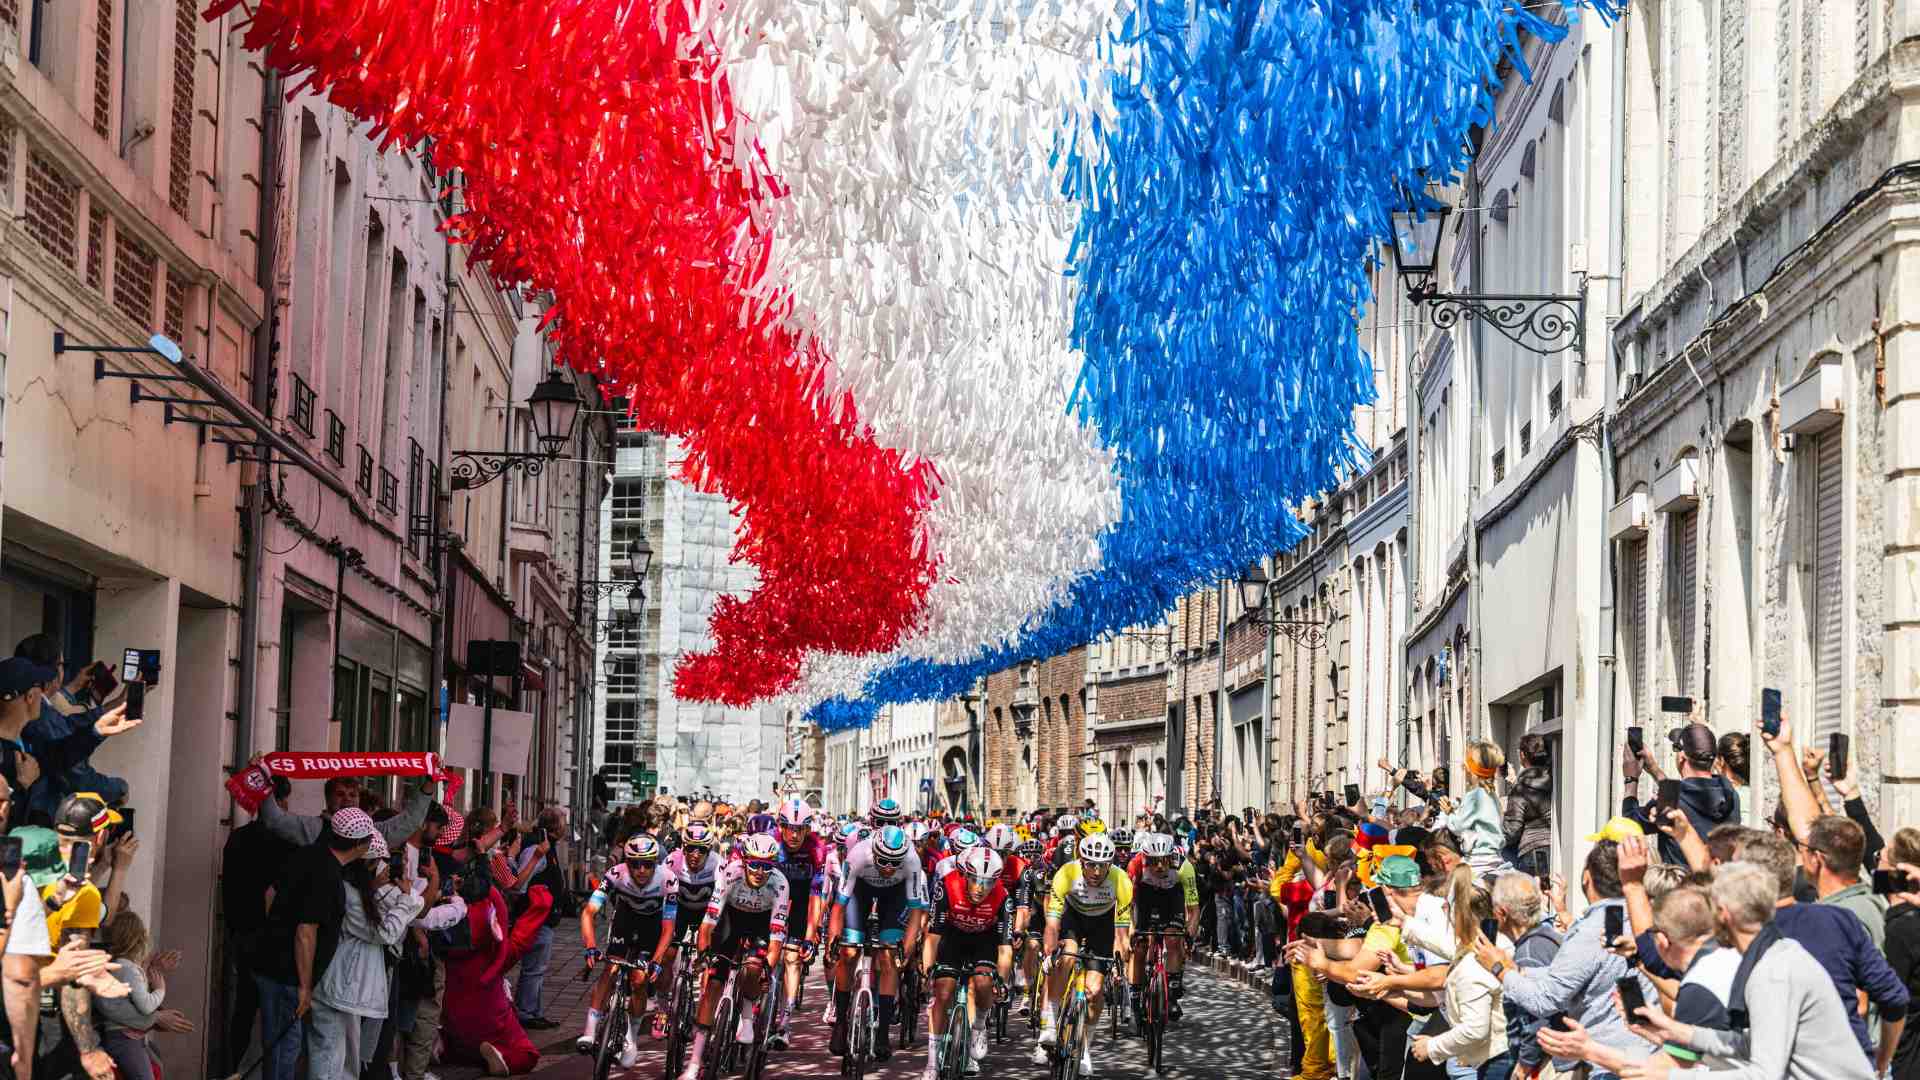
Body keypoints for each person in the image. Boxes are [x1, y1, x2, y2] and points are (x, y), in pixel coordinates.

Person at [1611, 861, 1876, 1080]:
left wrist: (1672, 1077)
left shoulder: (1771, 972)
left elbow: (1764, 1074)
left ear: (1724, 914)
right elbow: (1752, 1042)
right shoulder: (1774, 953)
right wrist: (1676, 1031)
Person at [1474, 839, 1654, 1080]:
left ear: (1587, 878)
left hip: (1610, 1062)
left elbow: (1545, 1000)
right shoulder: (1627, 917)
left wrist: (1499, 970)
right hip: (1643, 1052)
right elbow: (1597, 968)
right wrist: (1519, 971)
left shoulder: (1594, 928)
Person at [254, 808, 373, 1080]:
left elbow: (271, 894)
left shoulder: (307, 854)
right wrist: (305, 986)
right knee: (286, 1046)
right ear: (359, 845)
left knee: (278, 1044)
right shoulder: (329, 875)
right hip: (286, 974)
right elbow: (305, 932)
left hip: (271, 962)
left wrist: (273, 931)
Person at [311, 834, 422, 1080]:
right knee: (329, 1060)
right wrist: (406, 900)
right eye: (378, 863)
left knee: (345, 1061)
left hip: (344, 991)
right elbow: (384, 932)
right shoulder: (350, 895)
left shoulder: (359, 892)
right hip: (337, 989)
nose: (384, 868)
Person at [679, 833, 788, 1080]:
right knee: (714, 984)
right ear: (745, 861)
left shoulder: (780, 883)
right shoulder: (731, 873)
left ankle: (748, 1014)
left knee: (753, 968)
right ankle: (694, 1063)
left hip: (761, 923)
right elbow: (708, 922)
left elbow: (777, 937)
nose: (760, 871)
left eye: (767, 866)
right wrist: (704, 954)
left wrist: (766, 970)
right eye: (755, 864)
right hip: (731, 920)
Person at [828, 825, 927, 1060]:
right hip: (859, 891)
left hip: (894, 896)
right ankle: (841, 1022)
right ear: (874, 852)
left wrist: (907, 947)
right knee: (849, 953)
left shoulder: (912, 861)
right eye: (883, 860)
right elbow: (839, 905)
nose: (889, 867)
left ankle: (883, 1033)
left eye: (895, 862)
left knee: (889, 959)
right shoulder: (858, 855)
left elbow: (915, 912)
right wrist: (833, 941)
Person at [577, 834, 676, 1066]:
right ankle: (590, 1031)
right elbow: (588, 912)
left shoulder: (668, 879)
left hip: (652, 928)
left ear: (656, 863)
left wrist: (658, 959)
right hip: (625, 920)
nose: (641, 870)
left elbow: (669, 928)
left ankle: (631, 1036)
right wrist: (591, 946)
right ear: (626, 863)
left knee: (639, 981)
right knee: (610, 969)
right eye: (635, 864)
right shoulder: (615, 874)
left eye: (648, 864)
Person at [919, 847, 1014, 1080]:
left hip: (984, 940)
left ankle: (979, 1025)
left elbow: (1004, 948)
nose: (981, 888)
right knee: (942, 992)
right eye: (975, 880)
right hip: (952, 937)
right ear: (964, 875)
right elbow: (933, 937)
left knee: (983, 983)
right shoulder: (947, 886)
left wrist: (1000, 980)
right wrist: (927, 971)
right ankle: (932, 1062)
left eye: (988, 882)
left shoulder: (1003, 897)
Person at [221, 773, 294, 1072]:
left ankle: (232, 1069)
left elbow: (229, 890)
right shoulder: (287, 841)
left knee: (243, 1011)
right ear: (283, 802)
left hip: (243, 935)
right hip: (274, 942)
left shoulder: (238, 837)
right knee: (276, 1018)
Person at [1409, 867, 1509, 1079]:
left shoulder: (1473, 966)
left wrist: (1432, 1046)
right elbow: (1450, 947)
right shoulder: (1491, 946)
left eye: (1447, 908)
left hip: (1496, 1063)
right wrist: (1407, 925)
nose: (1444, 911)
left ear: (1458, 914)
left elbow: (1474, 1029)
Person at [1623, 723, 1739, 866]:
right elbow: (1688, 795)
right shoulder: (1731, 794)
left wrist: (1631, 778)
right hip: (1718, 881)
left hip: (1682, 885)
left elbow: (1629, 824)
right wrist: (1654, 769)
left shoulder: (1671, 800)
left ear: (1682, 757)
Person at [93, 911, 191, 1080]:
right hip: (123, 1039)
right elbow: (144, 1006)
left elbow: (133, 999)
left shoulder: (119, 967)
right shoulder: (127, 969)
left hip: (126, 1038)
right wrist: (160, 989)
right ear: (139, 940)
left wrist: (151, 969)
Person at [255, 770, 435, 853]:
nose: (347, 799)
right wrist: (260, 779)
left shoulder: (372, 832)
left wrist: (429, 783)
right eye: (340, 794)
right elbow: (274, 820)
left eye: (353, 795)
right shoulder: (314, 828)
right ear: (328, 799)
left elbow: (410, 821)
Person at [510, 809, 564, 1030]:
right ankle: (526, 1012)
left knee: (538, 968)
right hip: (536, 918)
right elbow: (521, 882)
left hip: (543, 919)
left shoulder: (546, 846)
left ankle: (534, 1010)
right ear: (557, 827)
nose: (565, 828)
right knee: (534, 967)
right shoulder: (537, 849)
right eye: (564, 824)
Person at [1444, 741, 1507, 877]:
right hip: (1494, 858)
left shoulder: (1475, 795)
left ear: (1469, 769)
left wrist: (1449, 813)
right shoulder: (1492, 794)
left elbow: (1458, 826)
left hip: (1478, 859)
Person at [1502, 735, 1553, 877]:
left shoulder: (1521, 789)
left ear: (1523, 755)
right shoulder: (1556, 778)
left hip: (1531, 851)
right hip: (1556, 849)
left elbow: (1512, 831)